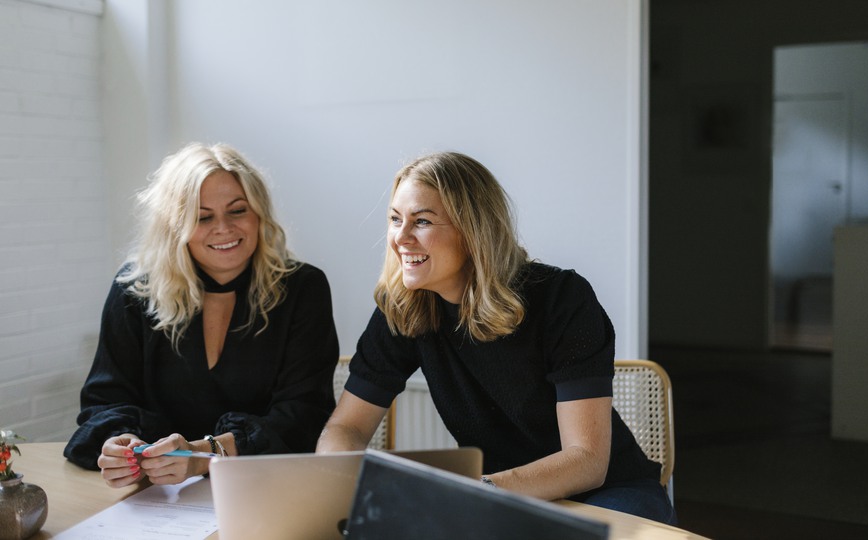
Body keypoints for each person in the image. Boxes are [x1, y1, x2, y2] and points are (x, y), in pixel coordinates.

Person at [316, 152, 677, 525]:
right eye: (395, 219)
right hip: (503, 496)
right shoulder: (404, 309)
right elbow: (347, 427)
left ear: (473, 231)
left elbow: (586, 460)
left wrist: (472, 492)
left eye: (421, 221)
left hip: (608, 494)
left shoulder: (561, 298)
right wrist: (338, 480)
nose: (400, 238)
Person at [65, 143, 339, 487]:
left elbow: (305, 415)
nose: (223, 228)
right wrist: (122, 444)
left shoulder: (303, 288)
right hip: (155, 494)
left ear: (259, 214)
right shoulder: (133, 290)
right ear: (174, 225)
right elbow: (105, 401)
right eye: (203, 216)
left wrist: (206, 455)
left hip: (266, 486)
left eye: (237, 210)